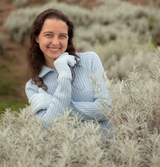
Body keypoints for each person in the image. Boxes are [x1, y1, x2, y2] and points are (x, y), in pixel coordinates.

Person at [25, 8, 114, 136]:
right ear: (37, 37)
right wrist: (64, 75)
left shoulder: (90, 60)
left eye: (62, 36)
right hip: (67, 154)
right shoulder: (33, 86)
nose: (56, 42)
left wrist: (53, 104)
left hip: (105, 150)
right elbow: (50, 124)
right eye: (49, 35)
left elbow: (106, 109)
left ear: (68, 39)